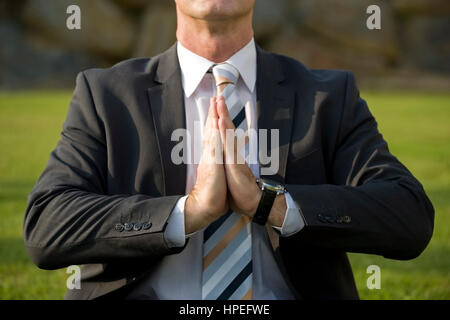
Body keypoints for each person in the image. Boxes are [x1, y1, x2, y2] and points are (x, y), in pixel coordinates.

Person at [24, 0, 434, 300]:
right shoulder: (107, 96)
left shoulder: (327, 97)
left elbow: (409, 216)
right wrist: (188, 212)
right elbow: (47, 226)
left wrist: (270, 204)